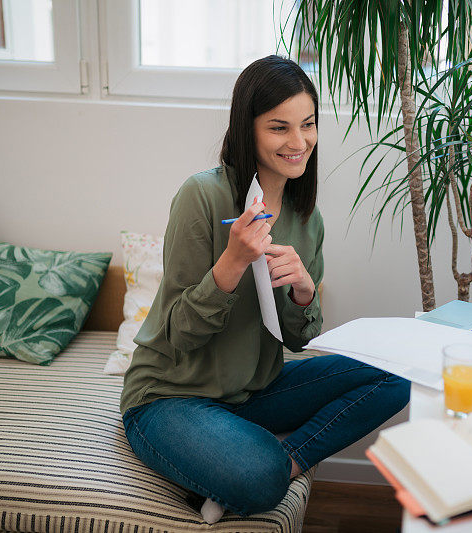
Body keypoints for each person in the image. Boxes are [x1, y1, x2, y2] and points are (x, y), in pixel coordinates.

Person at [119, 55, 410, 524]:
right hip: (170, 395)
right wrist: (231, 264)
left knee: (396, 373)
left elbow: (298, 340)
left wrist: (303, 292)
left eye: (308, 125)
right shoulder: (202, 196)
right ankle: (252, 461)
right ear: (247, 129)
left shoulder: (306, 218)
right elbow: (177, 336)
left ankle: (286, 458)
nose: (299, 143)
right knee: (257, 478)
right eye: (279, 128)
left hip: (255, 392)